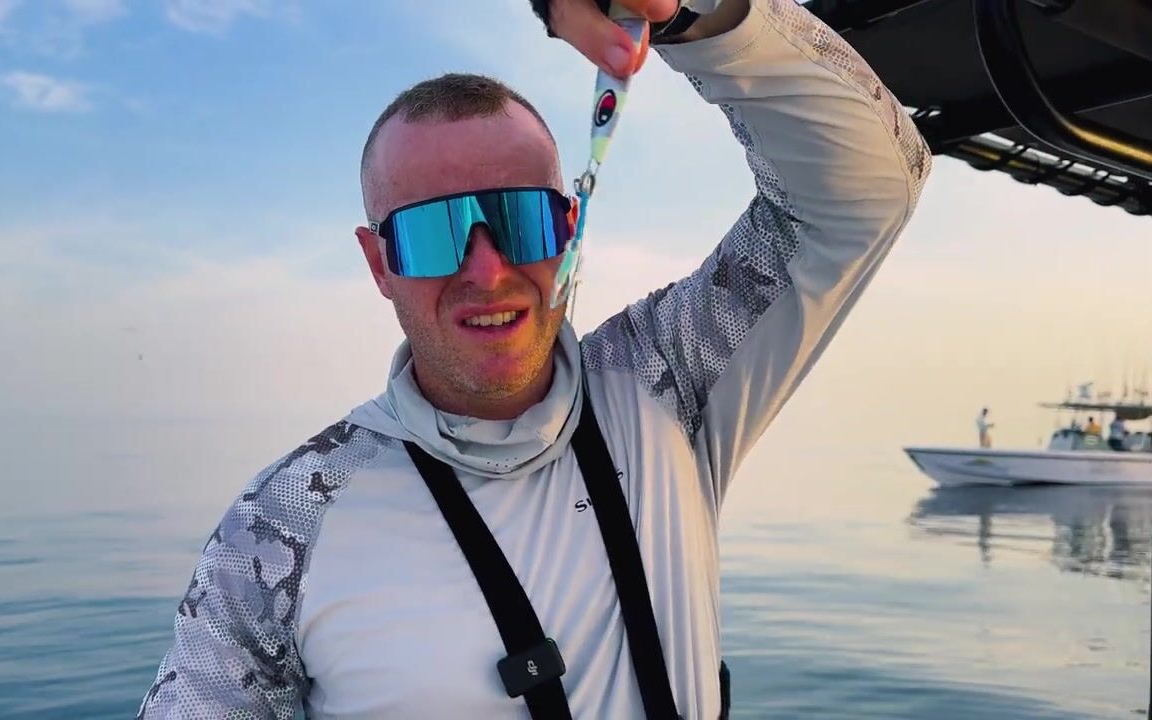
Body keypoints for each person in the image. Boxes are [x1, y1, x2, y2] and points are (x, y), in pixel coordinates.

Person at [137, 0, 930, 717]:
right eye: (433, 233)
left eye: (519, 219)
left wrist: (699, 16)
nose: (486, 271)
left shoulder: (667, 379)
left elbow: (874, 183)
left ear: (569, 229)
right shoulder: (281, 528)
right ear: (379, 263)